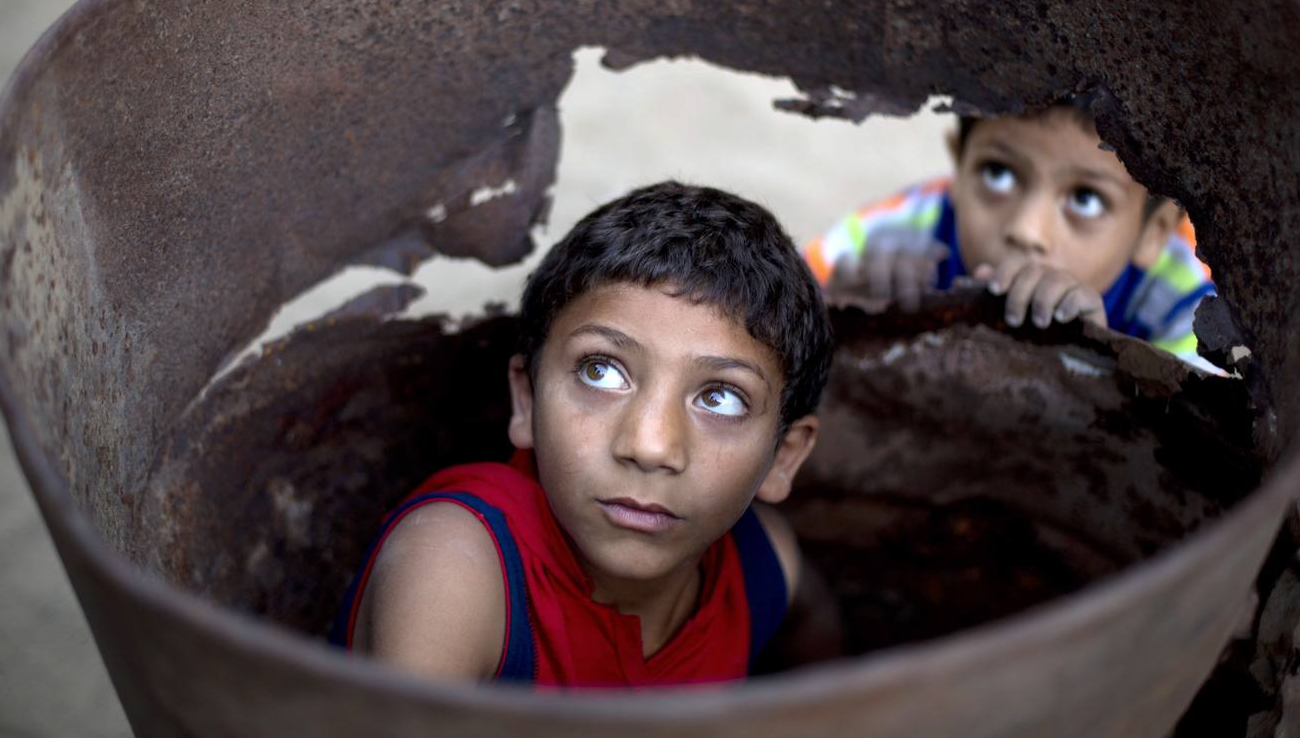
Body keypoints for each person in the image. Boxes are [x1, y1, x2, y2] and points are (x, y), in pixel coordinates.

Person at [332, 181, 836, 687]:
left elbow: (820, 640)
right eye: (602, 371)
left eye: (721, 398)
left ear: (782, 457)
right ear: (527, 400)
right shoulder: (453, 568)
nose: (649, 445)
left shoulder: (761, 567)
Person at [804, 103, 1217, 370]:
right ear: (959, 168)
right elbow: (774, 322)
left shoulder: (1193, 305)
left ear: (1155, 231)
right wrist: (838, 320)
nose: (1025, 230)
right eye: (997, 174)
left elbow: (1206, 453)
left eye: (1086, 200)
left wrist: (1094, 361)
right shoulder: (897, 235)